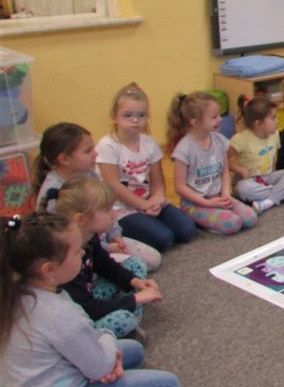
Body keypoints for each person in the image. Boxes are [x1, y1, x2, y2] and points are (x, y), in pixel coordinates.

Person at [0, 212, 180, 387]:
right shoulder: (57, 312)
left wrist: (105, 359)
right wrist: (106, 356)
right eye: (76, 252)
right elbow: (100, 365)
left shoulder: (17, 293)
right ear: (48, 269)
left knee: (133, 349)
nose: (84, 254)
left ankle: (101, 366)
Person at [35, 122, 161, 271]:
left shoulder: (90, 174)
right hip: (76, 252)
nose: (95, 153)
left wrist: (115, 235)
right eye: (88, 151)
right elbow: (63, 244)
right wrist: (106, 248)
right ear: (65, 159)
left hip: (102, 238)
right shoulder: (54, 193)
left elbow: (108, 208)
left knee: (153, 259)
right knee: (134, 268)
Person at [53, 177, 161, 340]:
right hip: (77, 316)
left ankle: (125, 308)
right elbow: (87, 309)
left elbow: (106, 266)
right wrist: (136, 299)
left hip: (88, 294)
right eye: (106, 210)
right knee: (123, 320)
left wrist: (136, 282)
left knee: (135, 265)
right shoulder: (67, 258)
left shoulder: (89, 236)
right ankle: (127, 319)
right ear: (81, 218)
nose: (114, 214)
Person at [96, 83, 196, 252]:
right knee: (164, 239)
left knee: (187, 229)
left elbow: (157, 180)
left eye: (141, 115)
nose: (135, 120)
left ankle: (148, 222)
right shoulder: (108, 146)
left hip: (148, 200)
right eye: (128, 115)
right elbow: (113, 185)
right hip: (121, 207)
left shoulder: (149, 144)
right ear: (114, 116)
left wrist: (157, 198)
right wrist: (143, 205)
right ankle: (118, 233)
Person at [167, 91, 257, 234]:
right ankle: (200, 220)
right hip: (195, 204)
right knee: (233, 223)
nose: (220, 119)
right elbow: (180, 187)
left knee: (250, 218)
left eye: (219, 115)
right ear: (195, 122)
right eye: (214, 117)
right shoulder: (184, 149)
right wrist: (207, 203)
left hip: (218, 197)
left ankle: (215, 216)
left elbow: (225, 172)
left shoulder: (219, 140)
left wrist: (226, 193)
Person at [228, 97, 284, 214]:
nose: (277, 121)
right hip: (250, 181)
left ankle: (269, 201)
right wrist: (240, 170)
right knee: (242, 188)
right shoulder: (240, 139)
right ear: (258, 123)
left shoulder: (275, 135)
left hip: (269, 177)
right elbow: (222, 160)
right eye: (273, 118)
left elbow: (273, 162)